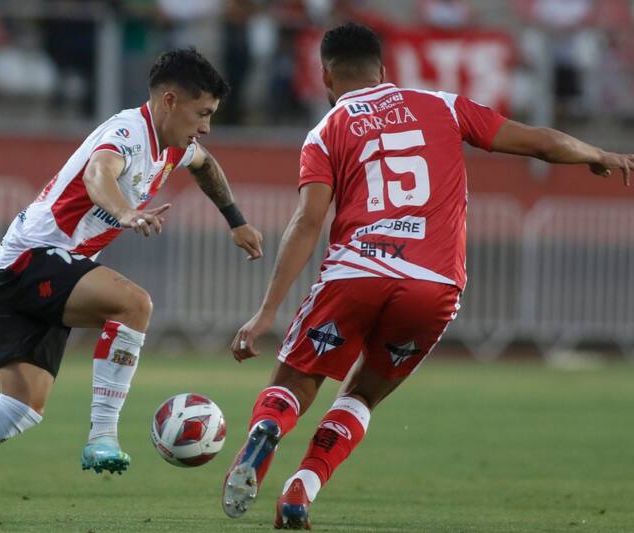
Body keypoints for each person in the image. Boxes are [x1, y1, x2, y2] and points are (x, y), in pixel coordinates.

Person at [221, 22, 632, 530]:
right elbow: (540, 143)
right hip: (433, 284)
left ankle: (267, 428)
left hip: (357, 271)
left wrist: (266, 311)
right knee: (362, 395)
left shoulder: (326, 131)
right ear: (383, 71)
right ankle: (301, 489)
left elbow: (307, 222)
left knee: (295, 382)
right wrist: (597, 154)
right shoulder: (443, 105)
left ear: (326, 76)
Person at [0, 47, 264, 516]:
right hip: (34, 259)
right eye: (201, 113)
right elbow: (99, 173)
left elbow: (206, 165)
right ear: (169, 101)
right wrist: (125, 212)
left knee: (21, 406)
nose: (206, 126)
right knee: (134, 304)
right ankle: (103, 435)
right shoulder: (128, 133)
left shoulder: (176, 146)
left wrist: (236, 221)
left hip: (21, 267)